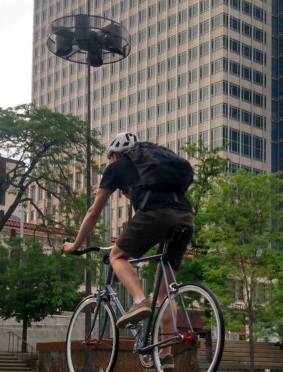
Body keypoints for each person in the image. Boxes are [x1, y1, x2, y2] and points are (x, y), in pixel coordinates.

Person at [63, 132, 194, 328]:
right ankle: (165, 356)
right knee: (164, 295)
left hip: (156, 214)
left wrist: (75, 245)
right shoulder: (154, 163)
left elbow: (93, 212)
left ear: (116, 154)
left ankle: (139, 301)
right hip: (185, 217)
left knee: (117, 257)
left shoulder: (118, 166)